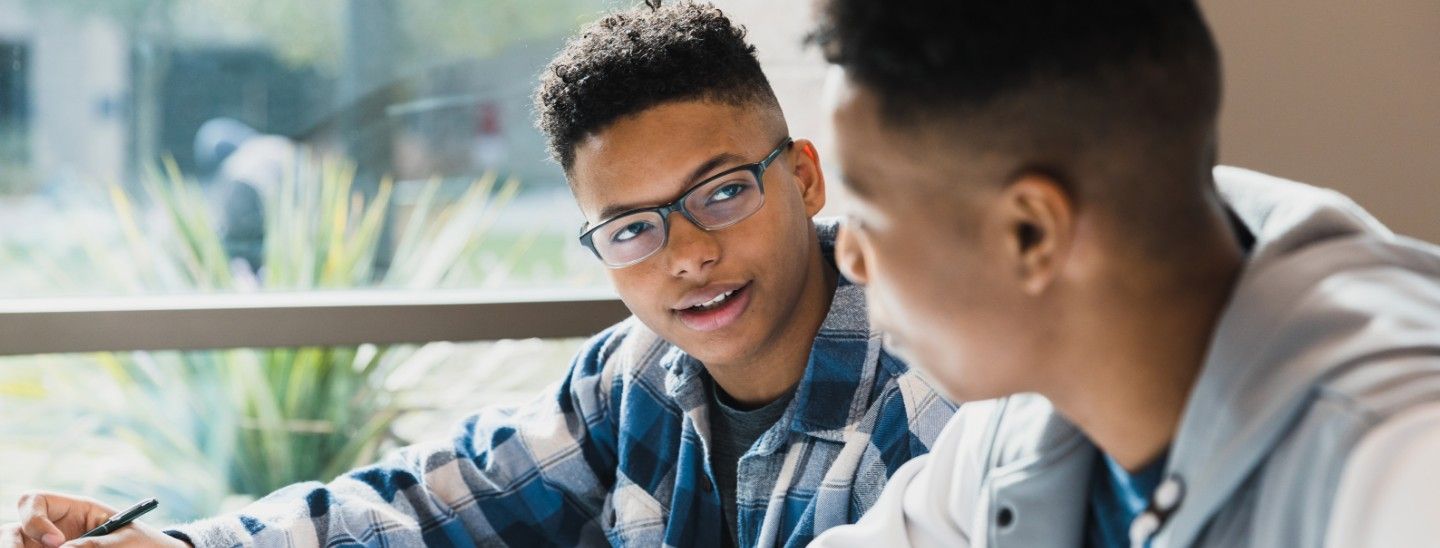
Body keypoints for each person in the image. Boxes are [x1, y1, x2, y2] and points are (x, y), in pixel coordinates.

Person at [0, 4, 954, 547]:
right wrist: (175, 546)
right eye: (631, 229)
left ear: (801, 178)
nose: (687, 255)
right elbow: (426, 500)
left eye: (720, 194)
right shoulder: (631, 381)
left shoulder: (932, 405)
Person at [807, 1, 1440, 546]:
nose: (848, 255)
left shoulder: (1402, 469)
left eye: (866, 212)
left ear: (1031, 234)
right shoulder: (1022, 420)